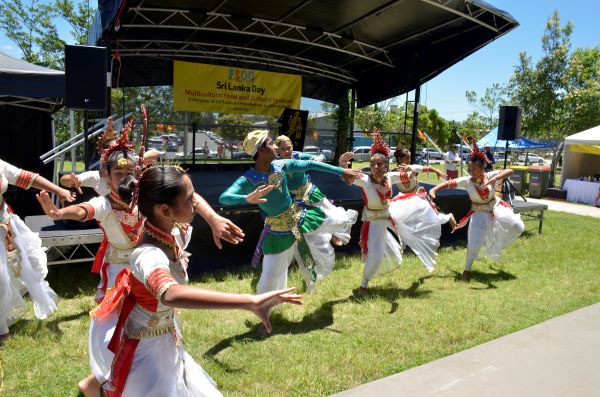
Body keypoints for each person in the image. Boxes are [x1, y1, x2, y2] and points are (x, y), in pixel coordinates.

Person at [89, 165, 302, 396]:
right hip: (146, 349)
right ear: (165, 210)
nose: (196, 204)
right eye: (190, 200)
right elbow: (170, 294)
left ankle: (93, 386)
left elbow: (188, 196)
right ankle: (93, 386)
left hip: (166, 337)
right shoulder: (148, 254)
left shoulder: (170, 229)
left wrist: (212, 217)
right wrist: (248, 301)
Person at [219, 130, 361, 330]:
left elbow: (311, 164)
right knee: (267, 280)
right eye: (271, 144)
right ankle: (264, 318)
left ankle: (335, 234)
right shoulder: (249, 179)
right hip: (278, 232)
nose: (276, 147)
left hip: (300, 219)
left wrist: (342, 171)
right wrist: (246, 199)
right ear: (260, 150)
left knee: (338, 219)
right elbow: (224, 197)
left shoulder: (281, 165)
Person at [339, 131, 442, 296]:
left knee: (414, 228)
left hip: (389, 213)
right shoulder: (365, 181)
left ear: (386, 166)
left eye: (380, 164)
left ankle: (436, 225)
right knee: (377, 256)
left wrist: (410, 170)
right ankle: (363, 285)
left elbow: (408, 175)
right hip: (374, 221)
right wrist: (343, 163)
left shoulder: (390, 177)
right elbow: (345, 176)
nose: (376, 167)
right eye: (373, 164)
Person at [0, 158, 75, 345]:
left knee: (8, 276)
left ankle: (1, 324)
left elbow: (27, 178)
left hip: (4, 224)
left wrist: (58, 190)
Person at [429, 142, 525, 281]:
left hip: (495, 208)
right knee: (474, 242)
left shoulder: (490, 176)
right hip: (479, 213)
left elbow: (510, 171)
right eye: (470, 168)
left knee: (518, 226)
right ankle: (467, 270)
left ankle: (499, 243)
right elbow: (449, 183)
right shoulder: (467, 181)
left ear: (482, 169)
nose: (471, 170)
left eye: (474, 168)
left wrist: (496, 179)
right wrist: (434, 190)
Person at [273, 135, 358, 247]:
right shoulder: (276, 164)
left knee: (331, 214)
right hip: (294, 199)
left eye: (288, 147)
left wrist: (320, 158)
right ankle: (299, 254)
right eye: (283, 149)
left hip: (310, 192)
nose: (287, 151)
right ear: (278, 150)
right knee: (303, 225)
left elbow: (324, 156)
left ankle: (333, 233)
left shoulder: (298, 156)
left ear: (292, 146)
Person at [394, 148, 456, 229]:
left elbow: (428, 168)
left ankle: (449, 217)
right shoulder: (392, 172)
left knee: (430, 217)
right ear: (399, 159)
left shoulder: (412, 167)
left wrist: (438, 171)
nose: (409, 160)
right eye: (406, 158)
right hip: (404, 200)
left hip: (418, 196)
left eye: (409, 158)